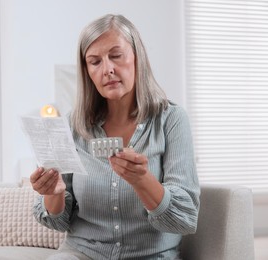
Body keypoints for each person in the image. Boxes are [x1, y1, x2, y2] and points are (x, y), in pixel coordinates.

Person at [30, 14, 200, 260]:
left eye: (116, 56)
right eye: (94, 61)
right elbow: (58, 221)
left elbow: (183, 219)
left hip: (150, 255)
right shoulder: (72, 125)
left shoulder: (171, 120)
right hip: (83, 253)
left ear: (137, 58)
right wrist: (53, 193)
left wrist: (142, 180)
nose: (107, 69)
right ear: (87, 71)